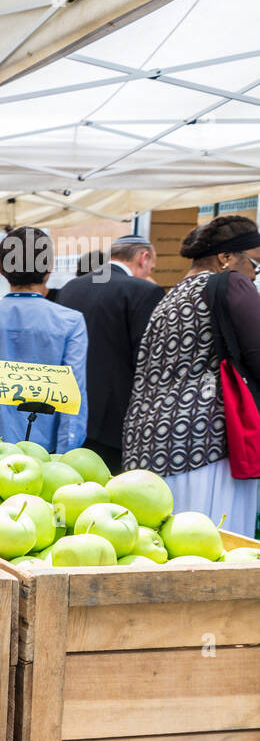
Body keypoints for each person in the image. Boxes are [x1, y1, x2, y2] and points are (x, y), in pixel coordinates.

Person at [124, 215, 260, 528]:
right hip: (207, 442)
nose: (254, 275)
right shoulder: (231, 284)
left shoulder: (170, 296)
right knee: (218, 549)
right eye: (255, 264)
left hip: (151, 441)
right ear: (226, 258)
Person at [0, 227, 89, 451]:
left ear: (1, 269)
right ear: (49, 267)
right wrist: (65, 453)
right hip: (39, 444)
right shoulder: (70, 322)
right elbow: (73, 399)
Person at [57, 234, 163, 471]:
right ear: (143, 258)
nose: (149, 272)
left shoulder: (71, 287)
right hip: (117, 418)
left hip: (69, 408)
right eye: (151, 268)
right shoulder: (145, 291)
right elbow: (149, 359)